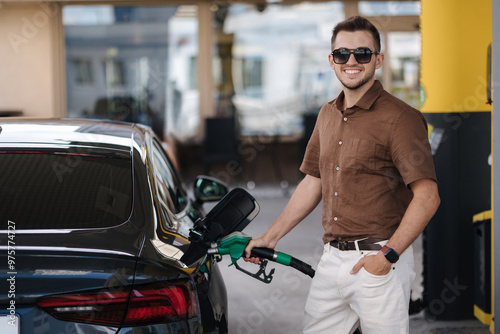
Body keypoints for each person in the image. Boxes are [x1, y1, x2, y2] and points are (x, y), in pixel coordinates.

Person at [244, 16, 440, 334]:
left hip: (380, 263)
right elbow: (313, 181)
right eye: (342, 54)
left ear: (378, 60)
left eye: (362, 53)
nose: (351, 61)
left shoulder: (401, 118)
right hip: (331, 260)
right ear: (331, 60)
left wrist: (388, 255)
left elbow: (428, 196)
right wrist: (270, 236)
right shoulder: (327, 114)